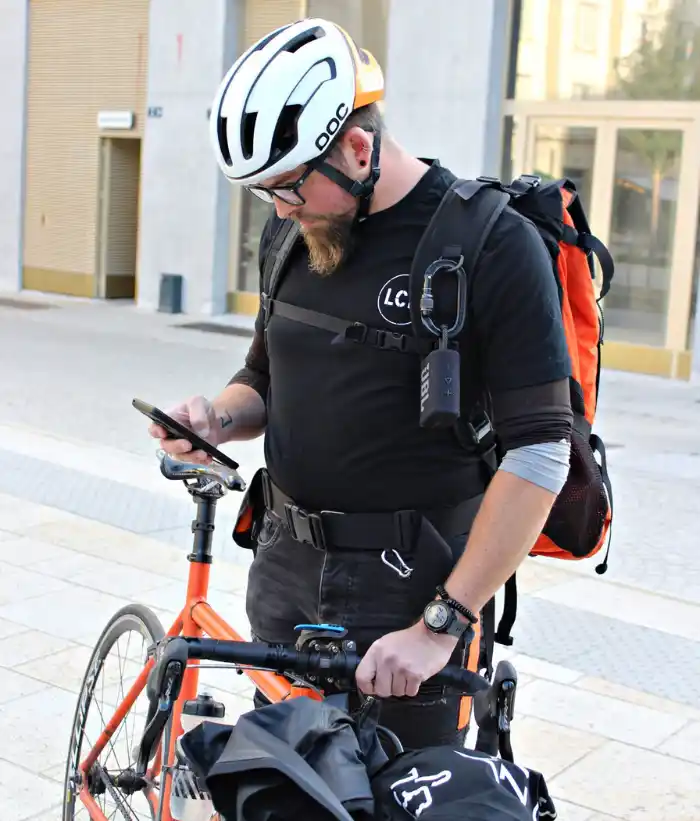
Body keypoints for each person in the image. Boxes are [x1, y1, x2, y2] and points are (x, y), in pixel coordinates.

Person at [148, 18, 573, 750]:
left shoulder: (491, 244)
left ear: (355, 147)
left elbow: (539, 454)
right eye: (263, 193)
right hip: (285, 568)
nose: (279, 209)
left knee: (396, 789)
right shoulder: (292, 232)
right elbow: (265, 374)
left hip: (411, 595)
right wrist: (215, 419)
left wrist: (441, 625)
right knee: (281, 778)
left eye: (288, 187)